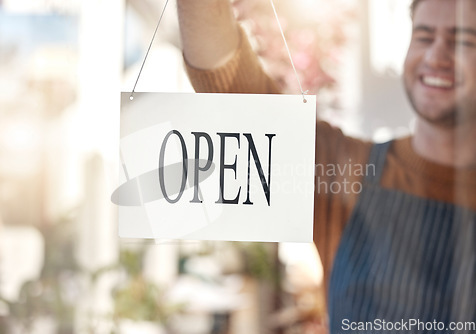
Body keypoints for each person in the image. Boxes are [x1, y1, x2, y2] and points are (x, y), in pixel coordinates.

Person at [176, 0, 476, 332]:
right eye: (423, 36)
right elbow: (233, 89)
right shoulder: (346, 168)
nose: (435, 56)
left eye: (463, 40)